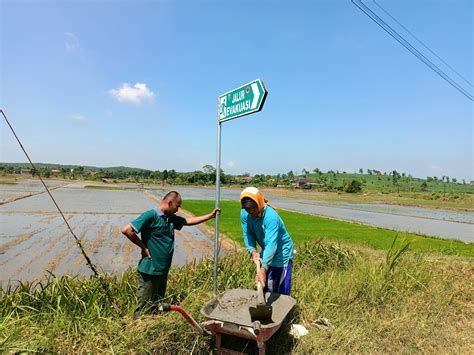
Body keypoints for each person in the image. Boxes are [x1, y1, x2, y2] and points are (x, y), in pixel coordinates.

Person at [122, 191, 220, 319]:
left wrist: (210, 216)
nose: (178, 209)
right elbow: (127, 230)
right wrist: (144, 247)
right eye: (177, 206)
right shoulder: (151, 215)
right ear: (169, 203)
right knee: (143, 307)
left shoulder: (170, 218)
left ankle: (151, 329)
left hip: (162, 271)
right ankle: (136, 330)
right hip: (150, 270)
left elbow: (188, 221)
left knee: (156, 305)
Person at [240, 187, 294, 296]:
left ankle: (281, 311)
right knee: (265, 286)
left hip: (281, 253)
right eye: (247, 210)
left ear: (259, 203)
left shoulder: (271, 217)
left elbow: (271, 243)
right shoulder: (245, 214)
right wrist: (253, 251)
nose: (251, 213)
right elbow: (248, 234)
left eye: (253, 209)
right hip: (267, 251)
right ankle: (266, 309)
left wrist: (263, 268)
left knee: (279, 290)